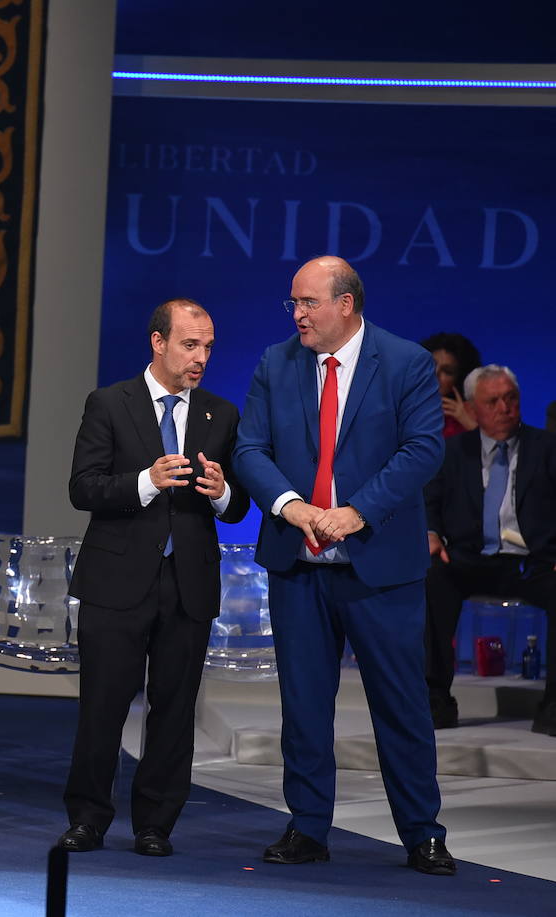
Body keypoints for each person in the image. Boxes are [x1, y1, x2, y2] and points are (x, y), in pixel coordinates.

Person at [233, 255, 455, 876]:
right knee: (304, 704)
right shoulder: (277, 364)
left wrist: (357, 512)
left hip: (379, 564)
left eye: (307, 303)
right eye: (294, 304)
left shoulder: (406, 362)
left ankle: (422, 833)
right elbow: (250, 447)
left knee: (401, 704)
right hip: (298, 564)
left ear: (346, 305)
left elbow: (423, 449)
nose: (297, 314)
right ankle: (307, 828)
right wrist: (290, 504)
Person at [56, 298, 248, 857]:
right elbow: (82, 487)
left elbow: (237, 507)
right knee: (103, 706)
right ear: (158, 342)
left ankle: (155, 824)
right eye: (190, 344)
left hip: (187, 583)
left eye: (208, 346)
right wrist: (145, 480)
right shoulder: (109, 404)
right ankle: (88, 817)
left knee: (175, 707)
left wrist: (223, 495)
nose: (201, 357)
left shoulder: (220, 413)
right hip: (116, 580)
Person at [424, 366, 556, 735]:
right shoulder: (451, 451)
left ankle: (553, 707)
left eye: (510, 399)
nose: (504, 408)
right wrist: (431, 533)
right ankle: (435, 702)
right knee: (430, 578)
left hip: (535, 562)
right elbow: (427, 501)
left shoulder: (547, 448)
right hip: (468, 558)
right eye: (492, 401)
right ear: (473, 408)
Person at [420, 332, 481, 439]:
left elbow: (498, 452)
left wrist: (467, 423)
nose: (435, 373)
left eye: (447, 371)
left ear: (460, 380)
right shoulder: (401, 405)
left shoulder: (472, 414)